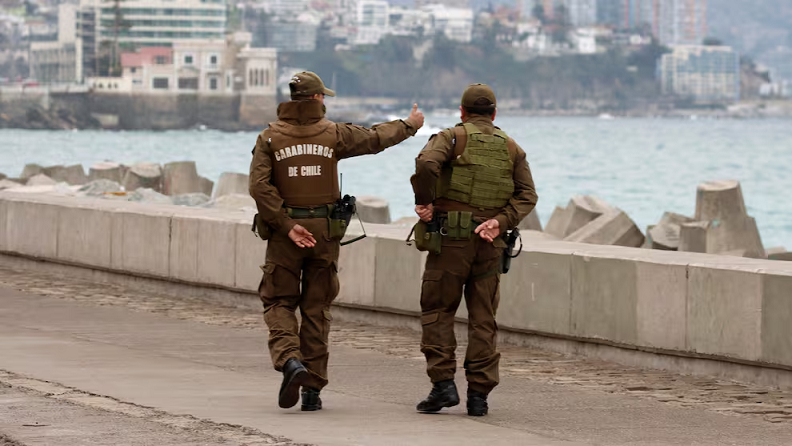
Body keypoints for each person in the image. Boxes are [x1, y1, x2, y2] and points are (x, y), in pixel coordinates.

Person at [249, 71, 424, 412]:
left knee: (279, 302)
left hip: (286, 236)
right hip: (325, 234)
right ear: (317, 99)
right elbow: (375, 138)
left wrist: (286, 225)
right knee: (317, 308)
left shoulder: (269, 137)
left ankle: (290, 361)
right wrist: (410, 124)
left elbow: (259, 187)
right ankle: (312, 391)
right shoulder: (334, 134)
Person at [410, 83, 537, 416]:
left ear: (462, 112)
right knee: (483, 319)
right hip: (490, 243)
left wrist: (424, 201)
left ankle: (443, 386)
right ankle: (479, 395)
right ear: (494, 114)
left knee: (438, 310)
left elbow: (426, 165)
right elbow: (527, 195)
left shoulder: (451, 138)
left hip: (451, 241)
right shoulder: (511, 147)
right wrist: (500, 221)